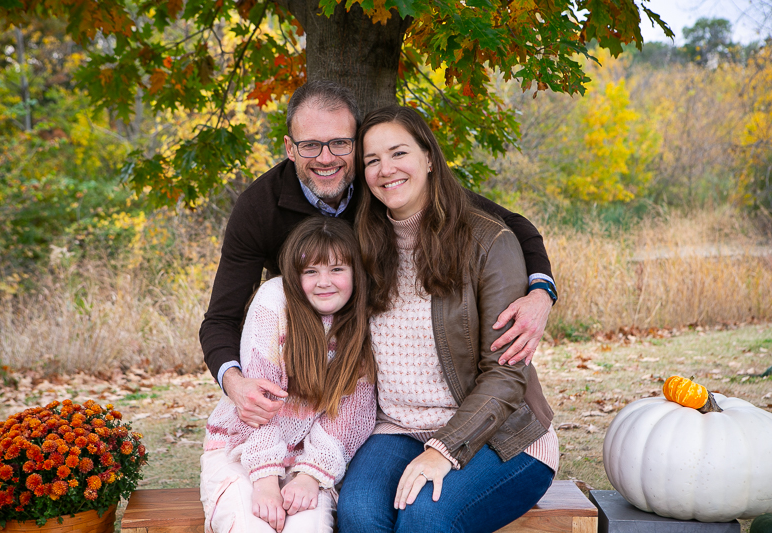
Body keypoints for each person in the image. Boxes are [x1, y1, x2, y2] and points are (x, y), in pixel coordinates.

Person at [199, 80, 558, 429]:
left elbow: (510, 224)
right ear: (290, 148)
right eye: (310, 145)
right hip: (301, 371)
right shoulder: (258, 208)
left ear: (356, 145)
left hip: (373, 379)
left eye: (340, 143)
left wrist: (541, 292)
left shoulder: (385, 184)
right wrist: (235, 383)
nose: (326, 158)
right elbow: (220, 319)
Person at [336, 105, 558, 533]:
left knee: (425, 518)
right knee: (358, 514)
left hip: (501, 436)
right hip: (397, 429)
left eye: (399, 153)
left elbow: (505, 375)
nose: (386, 169)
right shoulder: (362, 245)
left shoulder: (488, 242)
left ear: (429, 158)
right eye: (372, 160)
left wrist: (444, 449)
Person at [200, 217, 377, 533]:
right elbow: (259, 403)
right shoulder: (274, 302)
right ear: (295, 276)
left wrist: (311, 475)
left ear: (356, 273)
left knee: (308, 527)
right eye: (311, 271)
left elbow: (350, 416)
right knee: (250, 526)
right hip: (240, 451)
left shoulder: (362, 322)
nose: (324, 282)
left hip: (309, 462)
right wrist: (266, 480)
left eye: (337, 269)